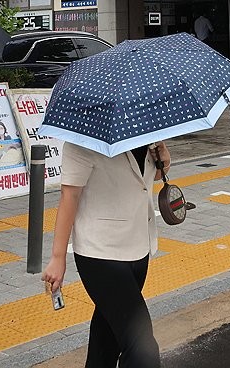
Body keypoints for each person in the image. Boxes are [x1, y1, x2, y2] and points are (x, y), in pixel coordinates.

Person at [42, 140, 172, 368]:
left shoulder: (144, 129)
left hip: (139, 247)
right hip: (100, 254)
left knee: (107, 339)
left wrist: (162, 156)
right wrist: (58, 257)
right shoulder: (83, 138)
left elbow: (151, 177)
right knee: (141, 344)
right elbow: (69, 196)